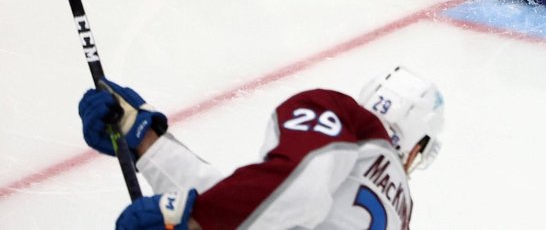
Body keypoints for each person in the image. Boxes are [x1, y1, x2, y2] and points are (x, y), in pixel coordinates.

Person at [77, 66, 444, 229]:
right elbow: (263, 211)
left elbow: (292, 193)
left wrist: (187, 215)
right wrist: (147, 144)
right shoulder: (401, 212)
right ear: (417, 147)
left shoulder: (333, 110)